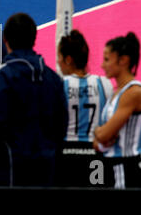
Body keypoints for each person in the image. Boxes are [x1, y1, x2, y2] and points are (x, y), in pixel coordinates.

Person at [0, 12, 68, 187]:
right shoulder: (53, 77)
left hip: (10, 168)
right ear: (34, 38)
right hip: (46, 165)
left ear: (5, 40)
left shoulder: (3, 74)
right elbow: (62, 123)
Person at [93, 32, 141, 188]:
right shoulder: (116, 92)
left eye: (107, 60)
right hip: (113, 167)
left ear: (124, 60)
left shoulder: (133, 92)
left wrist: (100, 133)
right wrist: (100, 134)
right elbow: (98, 138)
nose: (102, 65)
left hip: (127, 168)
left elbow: (103, 134)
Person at [55, 29, 113, 187]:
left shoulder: (60, 85)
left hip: (66, 155)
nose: (58, 62)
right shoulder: (104, 83)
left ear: (68, 59)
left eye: (59, 57)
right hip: (96, 155)